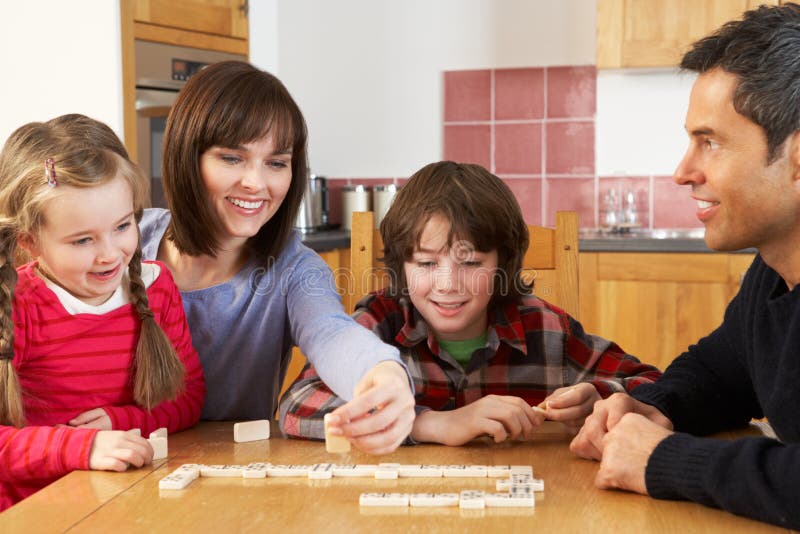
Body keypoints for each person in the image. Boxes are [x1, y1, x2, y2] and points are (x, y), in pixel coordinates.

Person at [569, 3, 800, 528]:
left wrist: (661, 460)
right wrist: (653, 406)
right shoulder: (771, 276)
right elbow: (717, 373)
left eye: (710, 142)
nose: (682, 171)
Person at [279, 161, 661, 448]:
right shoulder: (382, 320)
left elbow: (656, 386)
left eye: (472, 263)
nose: (447, 284)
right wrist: (430, 424)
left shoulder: (544, 328)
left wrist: (600, 396)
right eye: (427, 263)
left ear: (502, 264)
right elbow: (295, 406)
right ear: (402, 266)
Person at [139, 60, 414, 455]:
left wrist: (384, 374)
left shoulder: (294, 269)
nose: (256, 183)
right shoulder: (125, 242)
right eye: (231, 158)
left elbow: (331, 332)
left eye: (276, 163)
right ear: (187, 157)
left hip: (232, 475)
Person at [0, 114, 205, 510]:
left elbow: (190, 397)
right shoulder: (15, 304)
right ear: (31, 241)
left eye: (123, 225)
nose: (110, 254)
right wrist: (80, 447)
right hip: (35, 515)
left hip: (127, 505)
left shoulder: (156, 287)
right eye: (82, 240)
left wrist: (121, 420)